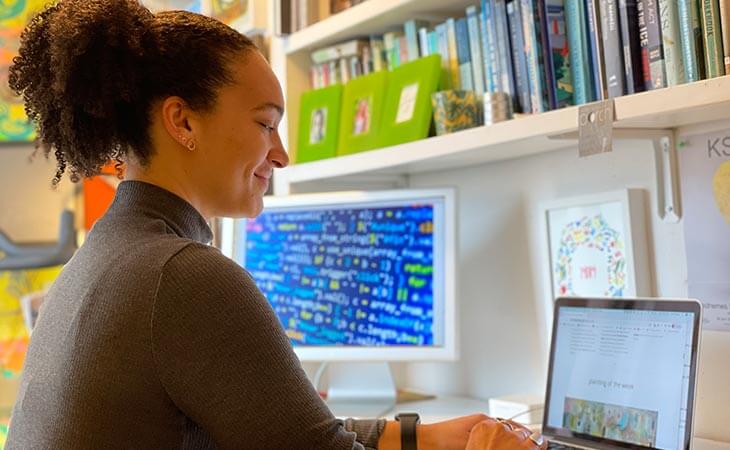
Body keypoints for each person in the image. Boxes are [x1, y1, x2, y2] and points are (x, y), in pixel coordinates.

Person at [6, 1, 548, 449]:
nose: (282, 154)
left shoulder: (107, 254)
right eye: (265, 124)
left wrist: (420, 438)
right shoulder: (183, 276)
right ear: (183, 120)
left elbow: (279, 427)